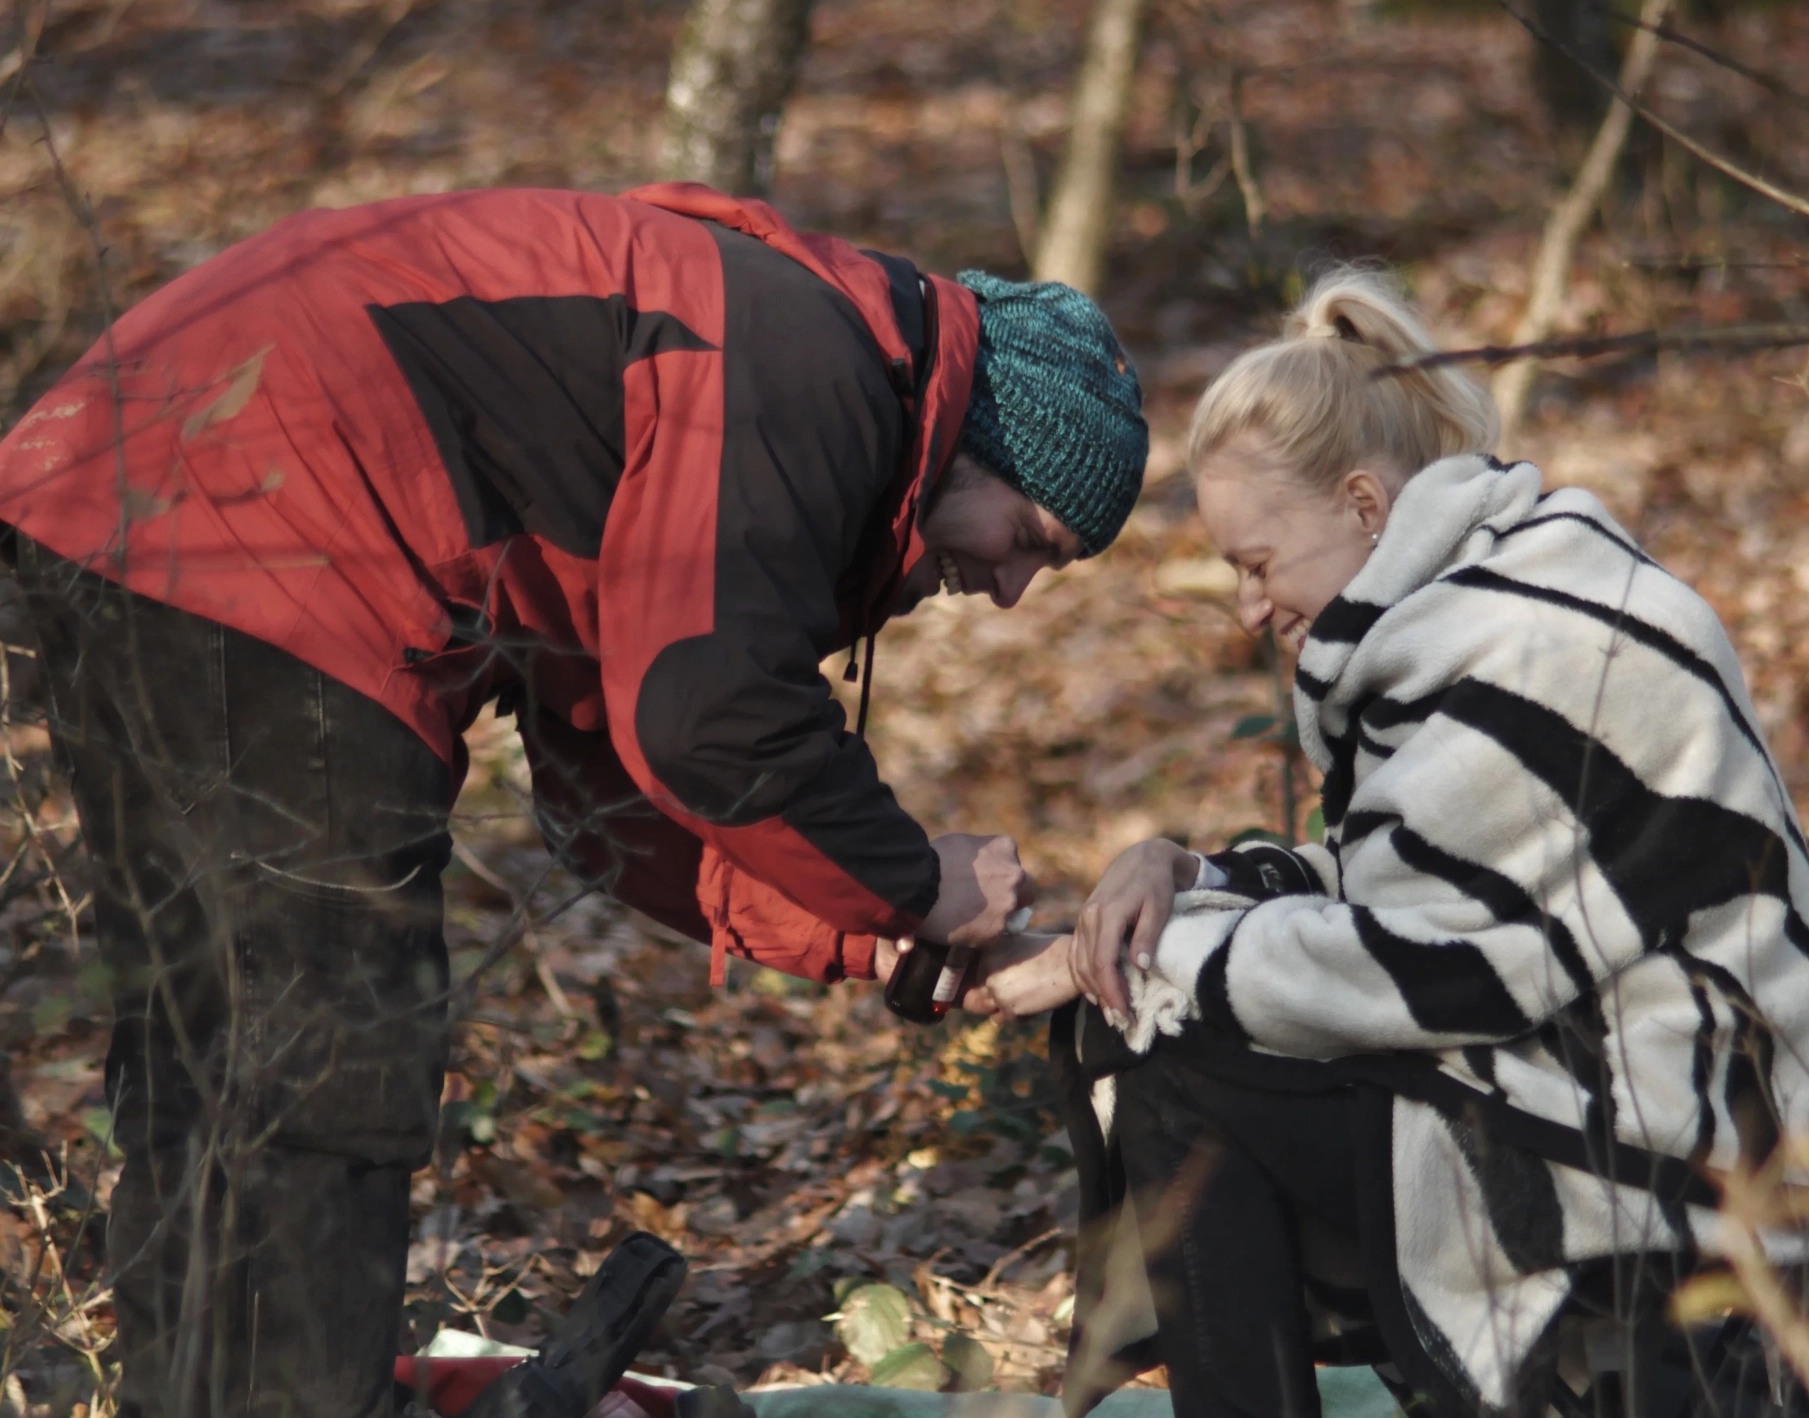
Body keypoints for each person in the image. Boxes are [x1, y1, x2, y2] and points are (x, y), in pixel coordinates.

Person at [0, 183, 1148, 1418]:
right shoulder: (813, 366)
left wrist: (880, 936)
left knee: (215, 1049)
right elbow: (710, 719)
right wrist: (923, 878)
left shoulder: (775, 364)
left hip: (124, 491)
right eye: (1032, 535)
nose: (1015, 587)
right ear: (977, 434)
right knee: (316, 1043)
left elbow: (622, 789)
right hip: (256, 524)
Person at [988, 267, 1809, 1418]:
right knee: (1179, 1040)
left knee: (1178, 1069)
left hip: (1686, 1153)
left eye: (1255, 563)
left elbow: (1431, 968)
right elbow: (1412, 878)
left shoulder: (1531, 643)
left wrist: (1166, 956)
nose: (1245, 607)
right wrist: (1186, 875)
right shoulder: (1488, 601)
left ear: (1367, 507)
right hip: (1608, 1092)